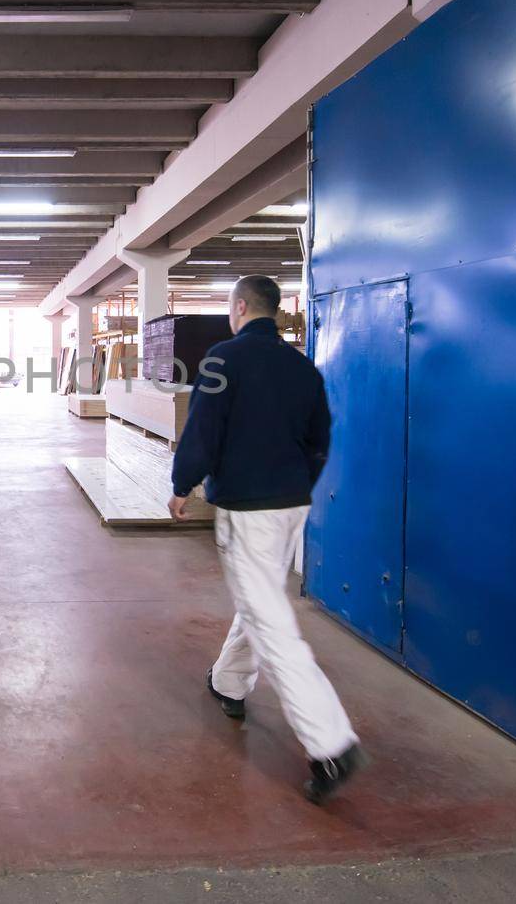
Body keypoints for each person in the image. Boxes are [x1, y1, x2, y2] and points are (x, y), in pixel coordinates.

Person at [168, 274, 366, 804]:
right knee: (261, 601)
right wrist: (296, 484)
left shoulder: (221, 360)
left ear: (239, 308)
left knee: (273, 625)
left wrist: (182, 483)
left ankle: (330, 745)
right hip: (291, 505)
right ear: (274, 313)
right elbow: (321, 439)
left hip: (248, 509)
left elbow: (202, 430)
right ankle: (230, 682)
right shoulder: (303, 367)